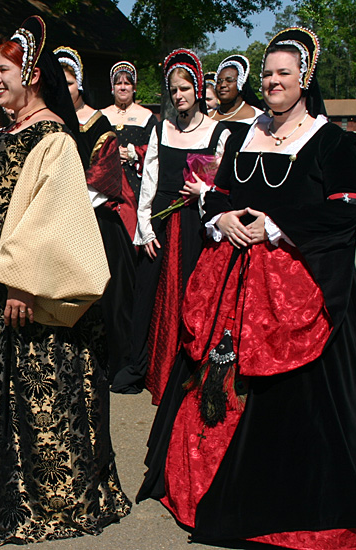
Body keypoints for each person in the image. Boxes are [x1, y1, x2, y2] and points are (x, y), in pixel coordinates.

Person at [137, 27, 356, 549]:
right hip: (230, 282)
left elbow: (343, 211)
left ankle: (275, 501)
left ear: (305, 79)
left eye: (284, 73)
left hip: (295, 290)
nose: (272, 81)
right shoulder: (243, 135)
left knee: (292, 403)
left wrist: (275, 226)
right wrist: (222, 219)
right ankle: (202, 488)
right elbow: (218, 194)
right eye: (267, 73)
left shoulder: (334, 141)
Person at [0, 16, 131, 548]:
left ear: (32, 74)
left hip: (21, 288)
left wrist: (22, 283)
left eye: (3, 70)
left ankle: (40, 497)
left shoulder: (54, 139)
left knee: (36, 391)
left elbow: (54, 216)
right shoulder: (3, 135)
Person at [133, 49, 230, 404]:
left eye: (185, 88)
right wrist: (145, 227)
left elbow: (223, 187)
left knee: (194, 296)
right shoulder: (162, 129)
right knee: (156, 296)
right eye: (173, 90)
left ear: (198, 88)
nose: (178, 96)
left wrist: (204, 192)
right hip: (163, 220)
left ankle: (190, 372)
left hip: (196, 224)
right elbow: (149, 181)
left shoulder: (218, 132)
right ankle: (156, 370)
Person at [55, 45, 137, 392]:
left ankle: (110, 366)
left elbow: (104, 178)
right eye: (58, 83)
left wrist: (66, 204)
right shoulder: (50, 121)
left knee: (106, 300)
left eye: (69, 82)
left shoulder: (98, 123)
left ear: (80, 84)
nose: (64, 89)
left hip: (95, 222)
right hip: (56, 222)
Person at [101, 61, 157, 243]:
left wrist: (134, 153)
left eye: (127, 83)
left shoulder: (146, 117)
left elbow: (155, 150)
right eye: (119, 83)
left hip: (136, 182)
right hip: (108, 182)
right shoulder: (101, 116)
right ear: (112, 87)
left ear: (134, 87)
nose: (123, 87)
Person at [210, 54, 264, 132]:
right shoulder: (206, 115)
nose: (222, 85)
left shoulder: (258, 119)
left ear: (240, 83)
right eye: (219, 81)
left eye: (229, 80)